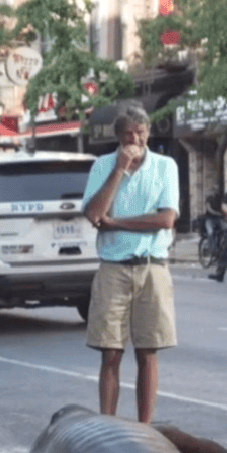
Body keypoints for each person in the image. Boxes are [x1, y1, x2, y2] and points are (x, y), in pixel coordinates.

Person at [81, 102, 178, 425]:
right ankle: (107, 423)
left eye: (140, 133)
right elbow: (94, 214)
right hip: (114, 267)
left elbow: (165, 219)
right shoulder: (102, 166)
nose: (135, 140)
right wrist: (119, 170)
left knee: (148, 351)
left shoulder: (165, 166)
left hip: (152, 265)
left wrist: (116, 223)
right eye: (128, 134)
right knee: (110, 352)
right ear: (118, 137)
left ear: (148, 133)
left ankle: (144, 426)